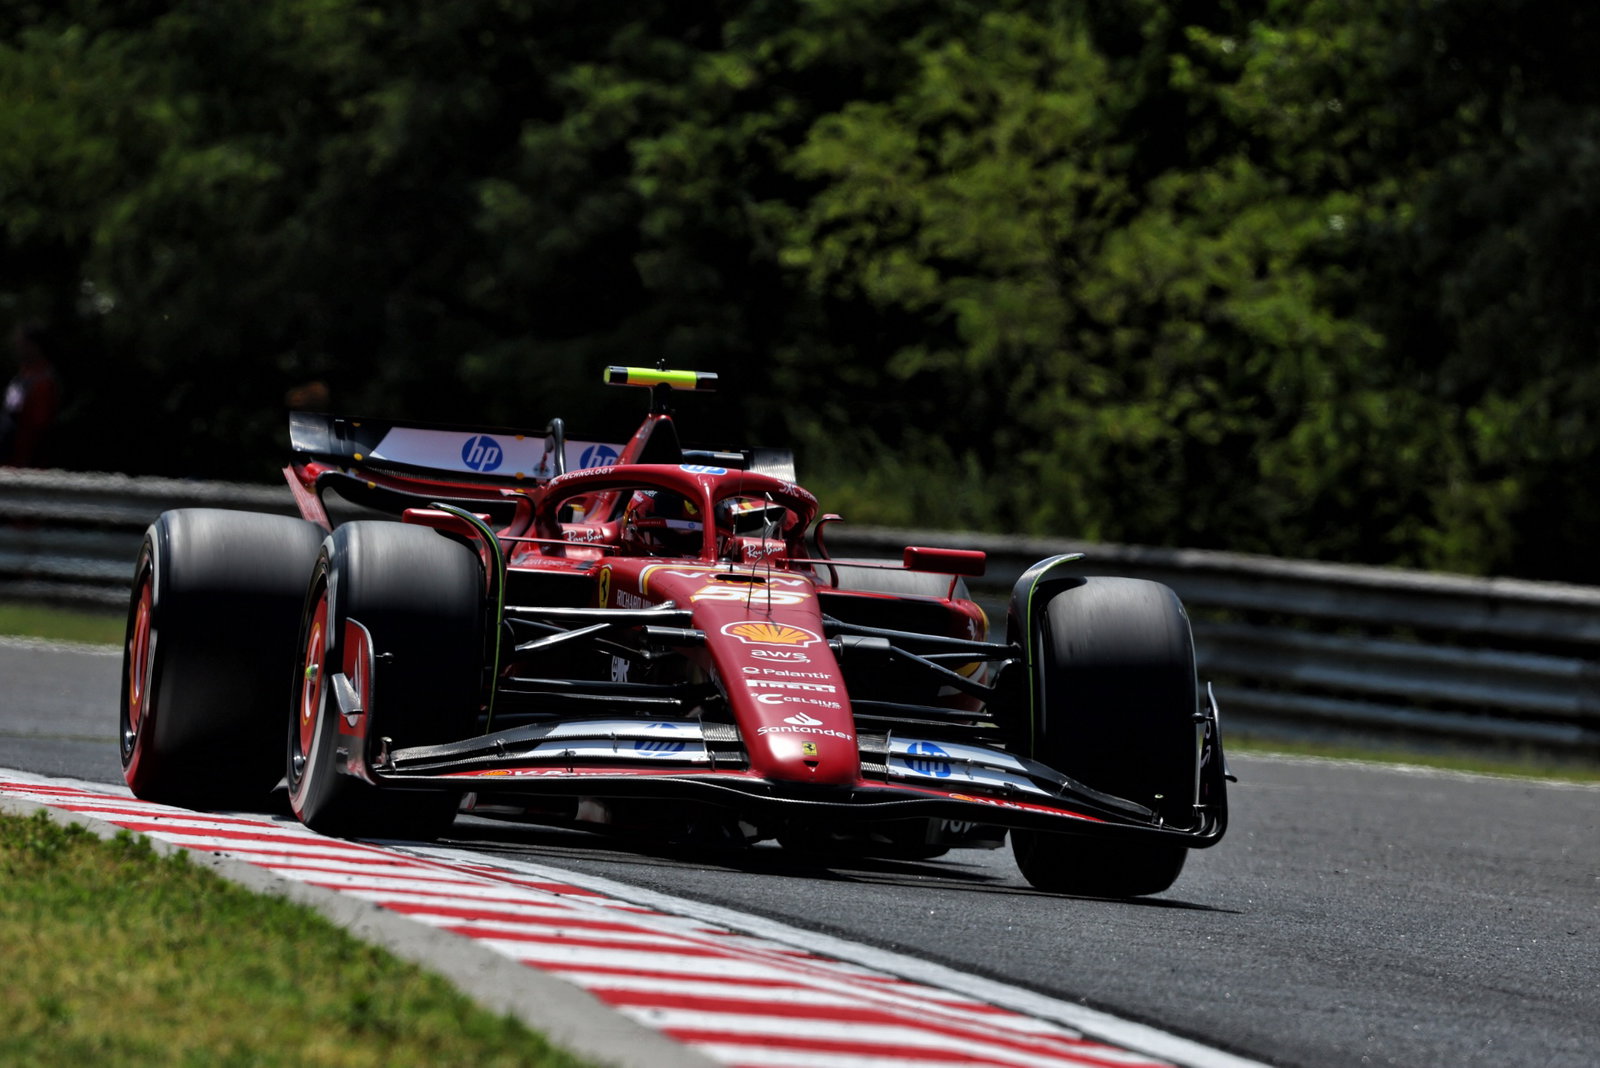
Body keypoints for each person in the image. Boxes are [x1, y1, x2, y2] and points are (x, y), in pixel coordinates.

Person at [0, 322, 62, 467]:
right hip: (8, 459)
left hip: (26, 464)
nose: (17, 347)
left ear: (35, 346)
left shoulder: (44, 381)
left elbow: (39, 427)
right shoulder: (22, 375)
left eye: (22, 343)